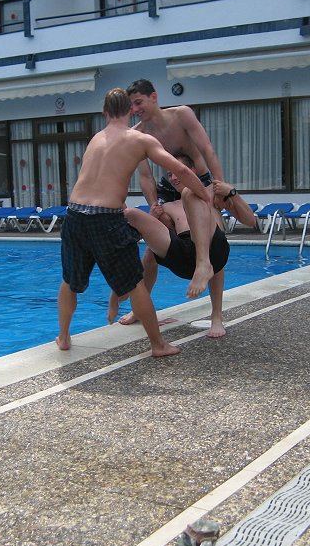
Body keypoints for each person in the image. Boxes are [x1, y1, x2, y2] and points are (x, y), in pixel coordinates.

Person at [56, 87, 213, 358]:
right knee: (134, 284)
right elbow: (180, 169)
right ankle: (158, 345)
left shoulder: (95, 139)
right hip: (105, 218)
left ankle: (64, 336)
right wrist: (204, 195)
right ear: (130, 110)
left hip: (75, 214)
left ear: (105, 112)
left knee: (70, 281)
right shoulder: (139, 139)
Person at [109, 156, 256, 338]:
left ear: (192, 171)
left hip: (214, 252)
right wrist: (153, 216)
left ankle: (216, 316)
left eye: (177, 172)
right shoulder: (168, 206)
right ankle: (138, 308)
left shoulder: (212, 194)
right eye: (170, 174)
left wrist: (232, 193)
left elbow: (250, 221)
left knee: (189, 193)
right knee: (132, 215)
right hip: (185, 258)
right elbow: (146, 238)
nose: (173, 178)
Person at [127, 78, 225, 206]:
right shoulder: (137, 135)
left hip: (199, 179)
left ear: (153, 97)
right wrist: (153, 205)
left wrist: (221, 187)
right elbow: (145, 176)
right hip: (170, 186)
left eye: (138, 103)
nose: (134, 109)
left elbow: (207, 150)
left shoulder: (182, 115)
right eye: (131, 106)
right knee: (162, 215)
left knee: (205, 214)